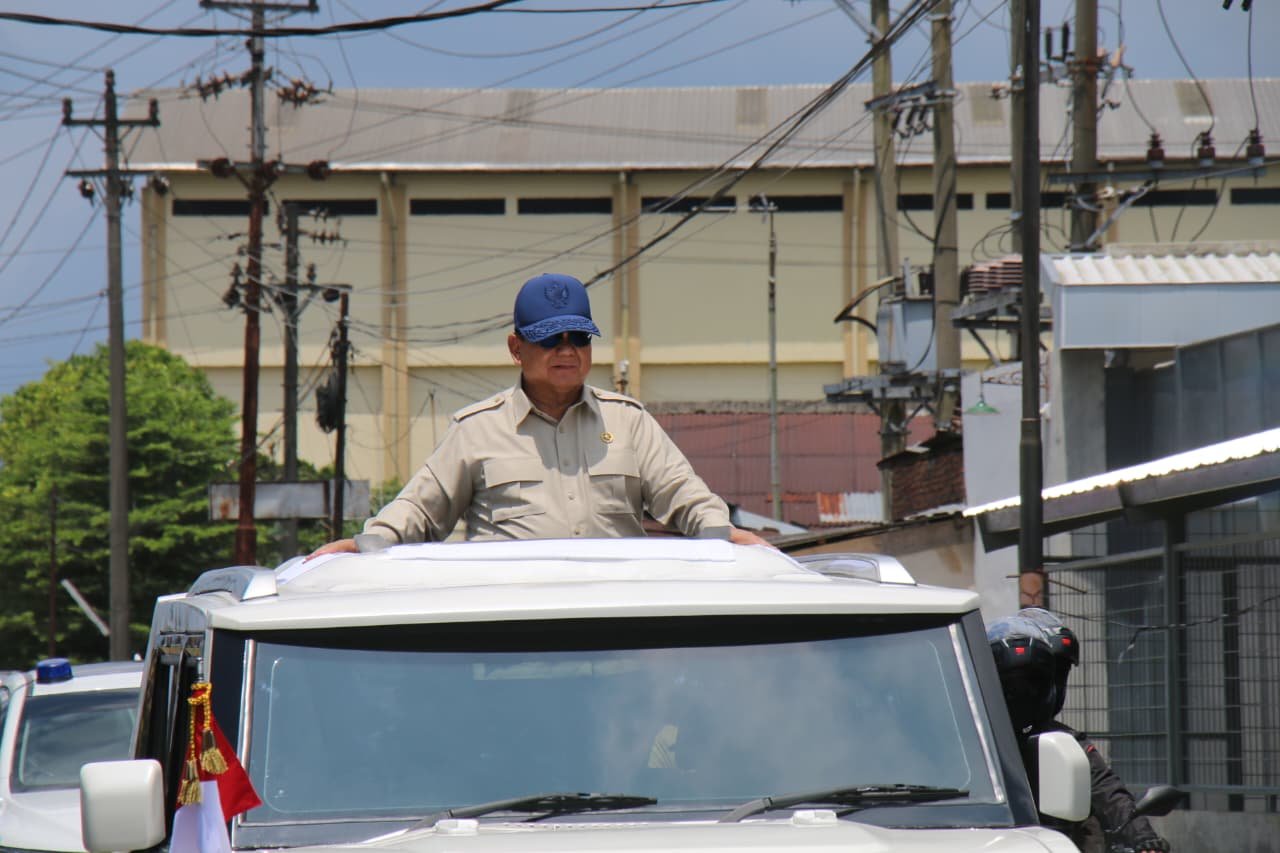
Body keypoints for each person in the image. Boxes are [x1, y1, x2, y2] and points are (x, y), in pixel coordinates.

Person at [311, 272, 770, 556]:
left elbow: (686, 497)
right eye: (550, 339)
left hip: (616, 635)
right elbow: (420, 511)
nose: (567, 350)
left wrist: (726, 536)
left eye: (579, 338)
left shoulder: (629, 423)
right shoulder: (476, 431)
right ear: (516, 348)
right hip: (512, 639)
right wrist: (369, 542)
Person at [987, 609, 1170, 853]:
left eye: (1033, 682)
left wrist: (1143, 838)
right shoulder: (972, 740)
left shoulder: (1066, 742)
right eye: (1012, 684)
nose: (1023, 694)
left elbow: (1107, 789)